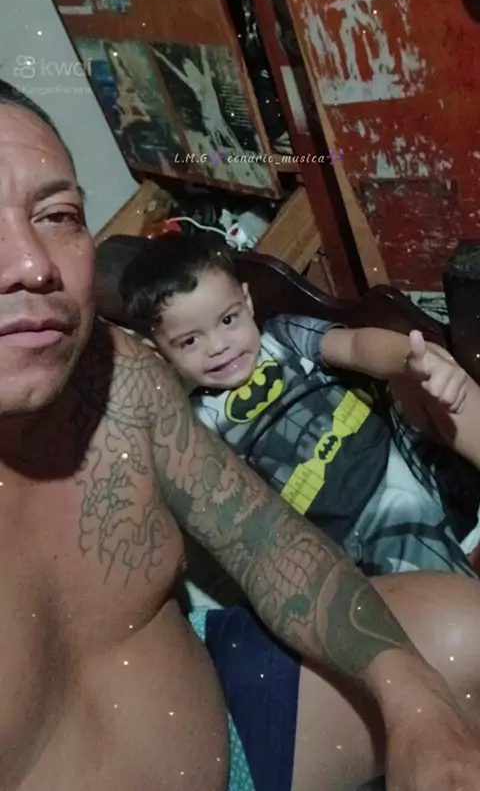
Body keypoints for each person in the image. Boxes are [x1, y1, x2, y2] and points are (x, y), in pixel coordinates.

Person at [2, 79, 480, 791]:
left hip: (227, 712)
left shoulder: (120, 375)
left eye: (57, 215)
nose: (31, 264)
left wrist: (414, 701)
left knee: (463, 634)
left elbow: (265, 542)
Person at [121, 234, 479, 578]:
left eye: (228, 320)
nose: (218, 346)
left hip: (402, 455)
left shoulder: (282, 337)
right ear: (158, 354)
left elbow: (355, 345)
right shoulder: (197, 423)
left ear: (247, 302)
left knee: (429, 377)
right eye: (189, 341)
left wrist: (407, 358)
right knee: (419, 559)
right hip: (357, 526)